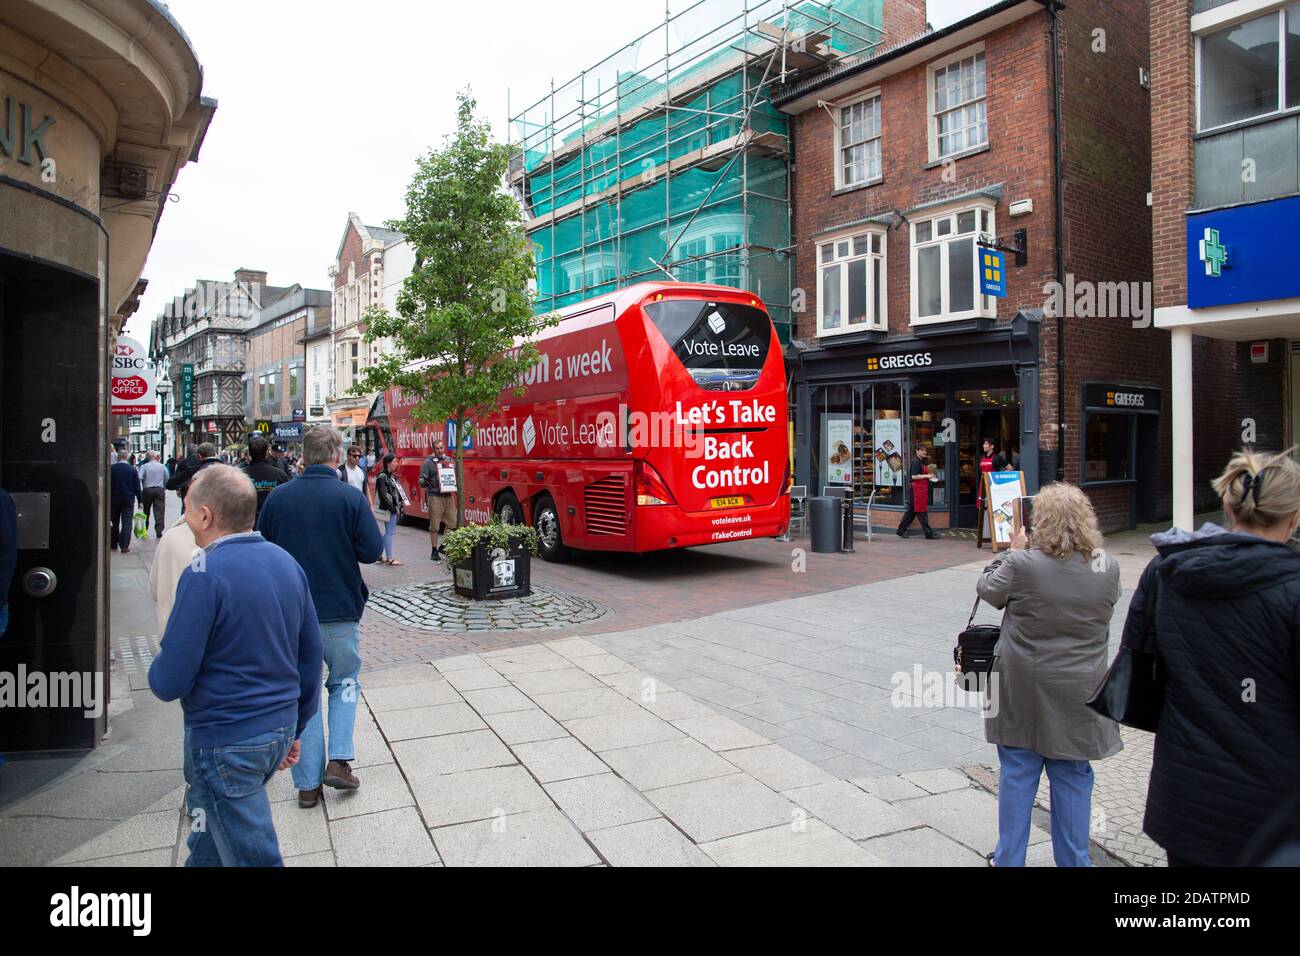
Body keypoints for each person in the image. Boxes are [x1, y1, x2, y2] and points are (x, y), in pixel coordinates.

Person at [1125, 449, 1300, 868]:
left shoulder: (1165, 572)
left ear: (1226, 504)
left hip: (1185, 801)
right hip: (1274, 818)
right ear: (1293, 516)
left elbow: (1140, 673)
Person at [148, 465, 323, 867]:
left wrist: (156, 672)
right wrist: (296, 724)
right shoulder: (285, 562)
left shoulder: (202, 573)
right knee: (210, 842)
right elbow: (311, 654)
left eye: (187, 508)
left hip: (227, 738)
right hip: (275, 729)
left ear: (205, 515)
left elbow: (170, 678)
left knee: (253, 855)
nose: (185, 518)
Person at [976, 482, 1122, 867]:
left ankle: (1009, 860)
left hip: (1021, 687)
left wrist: (1011, 552)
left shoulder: (1022, 565)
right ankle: (1074, 862)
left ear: (1041, 521)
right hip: (1080, 691)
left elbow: (988, 591)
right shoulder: (1107, 567)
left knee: (1018, 773)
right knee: (1072, 775)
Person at [258, 425, 383, 808]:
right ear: (335, 455)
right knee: (345, 680)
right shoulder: (349, 496)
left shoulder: (279, 499)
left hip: (293, 616)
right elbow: (371, 551)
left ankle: (308, 784)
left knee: (303, 692)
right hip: (340, 609)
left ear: (304, 455)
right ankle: (340, 761)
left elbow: (265, 551)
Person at [419, 437, 458, 560]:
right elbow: (421, 480)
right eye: (437, 449)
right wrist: (424, 482)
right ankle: (434, 551)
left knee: (453, 522)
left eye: (441, 448)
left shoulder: (450, 460)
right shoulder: (428, 463)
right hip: (435, 496)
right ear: (434, 449)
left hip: (448, 495)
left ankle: (444, 546)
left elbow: (454, 476)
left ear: (444, 447)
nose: (440, 450)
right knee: (435, 526)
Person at [241, 436, 289, 522]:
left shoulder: (240, 475)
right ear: (267, 453)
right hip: (272, 522)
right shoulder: (279, 474)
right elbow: (286, 501)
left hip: (248, 523)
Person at [897, 444, 939, 540]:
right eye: (922, 450)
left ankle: (901, 530)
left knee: (911, 512)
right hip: (916, 491)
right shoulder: (916, 461)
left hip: (919, 490)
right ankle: (928, 533)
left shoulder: (922, 461)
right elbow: (914, 476)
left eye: (925, 450)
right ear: (917, 451)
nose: (924, 452)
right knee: (921, 511)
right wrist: (928, 476)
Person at [375, 453, 408, 566]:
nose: (396, 464)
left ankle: (380, 554)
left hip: (389, 508)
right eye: (394, 462)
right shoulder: (383, 477)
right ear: (388, 464)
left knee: (388, 532)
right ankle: (389, 557)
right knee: (389, 532)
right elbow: (383, 495)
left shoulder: (389, 476)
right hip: (388, 509)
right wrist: (393, 508)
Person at [109, 450, 141, 553]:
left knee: (114, 521)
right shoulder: (132, 470)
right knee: (127, 522)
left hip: (114, 498)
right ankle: (124, 545)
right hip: (128, 498)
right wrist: (140, 500)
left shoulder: (111, 469)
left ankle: (113, 543)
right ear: (127, 457)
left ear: (118, 457)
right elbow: (137, 486)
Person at [138, 450, 169, 539]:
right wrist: (164, 487)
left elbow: (139, 477)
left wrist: (142, 485)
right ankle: (159, 531)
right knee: (159, 511)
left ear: (147, 457)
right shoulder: (162, 466)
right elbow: (167, 477)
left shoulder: (144, 466)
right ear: (155, 457)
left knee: (146, 510)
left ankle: (145, 528)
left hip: (147, 489)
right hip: (159, 489)